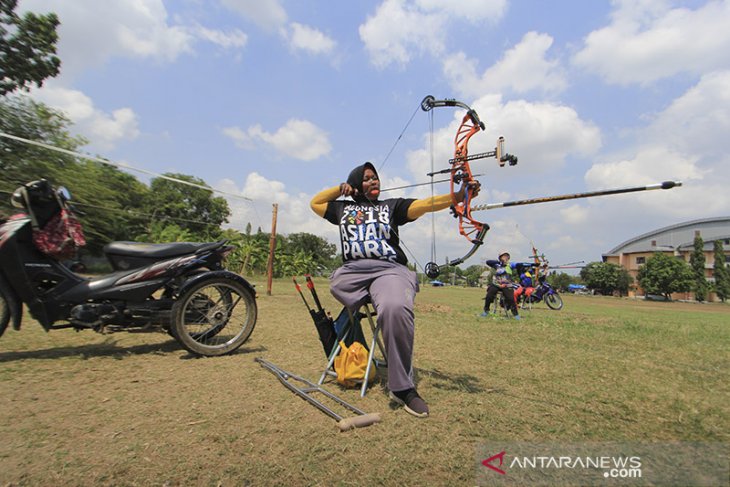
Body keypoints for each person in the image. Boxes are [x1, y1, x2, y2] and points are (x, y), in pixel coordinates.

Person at [310, 161, 479, 418]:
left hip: (387, 270)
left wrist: (458, 196)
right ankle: (374, 301)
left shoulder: (392, 207)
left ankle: (402, 388)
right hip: (352, 273)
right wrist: (340, 189)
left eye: (375, 177)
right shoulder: (343, 210)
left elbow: (425, 204)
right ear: (355, 183)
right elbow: (316, 203)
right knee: (338, 282)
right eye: (366, 178)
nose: (373, 181)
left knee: (395, 307)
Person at [481, 251, 533, 320]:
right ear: (500, 257)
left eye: (507, 256)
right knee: (489, 296)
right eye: (504, 256)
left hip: (507, 285)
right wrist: (499, 262)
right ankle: (486, 311)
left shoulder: (510, 265)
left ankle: (516, 315)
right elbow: (488, 262)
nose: (506, 257)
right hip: (496, 284)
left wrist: (532, 264)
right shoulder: (496, 265)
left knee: (511, 299)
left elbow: (520, 264)